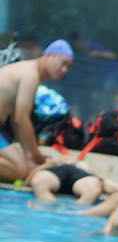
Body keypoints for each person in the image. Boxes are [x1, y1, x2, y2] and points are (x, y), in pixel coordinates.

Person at [0, 39, 73, 181]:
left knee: (23, 168)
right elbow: (22, 119)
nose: (65, 70)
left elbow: (16, 122)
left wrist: (30, 154)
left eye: (69, 67)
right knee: (19, 171)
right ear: (49, 56)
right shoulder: (30, 74)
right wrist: (36, 156)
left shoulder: (30, 74)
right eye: (63, 63)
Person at [28, 163, 107, 205]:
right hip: (56, 173)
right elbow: (30, 179)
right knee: (39, 182)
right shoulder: (53, 163)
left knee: (93, 188)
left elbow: (100, 181)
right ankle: (49, 205)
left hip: (80, 176)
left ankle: (76, 211)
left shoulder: (83, 166)